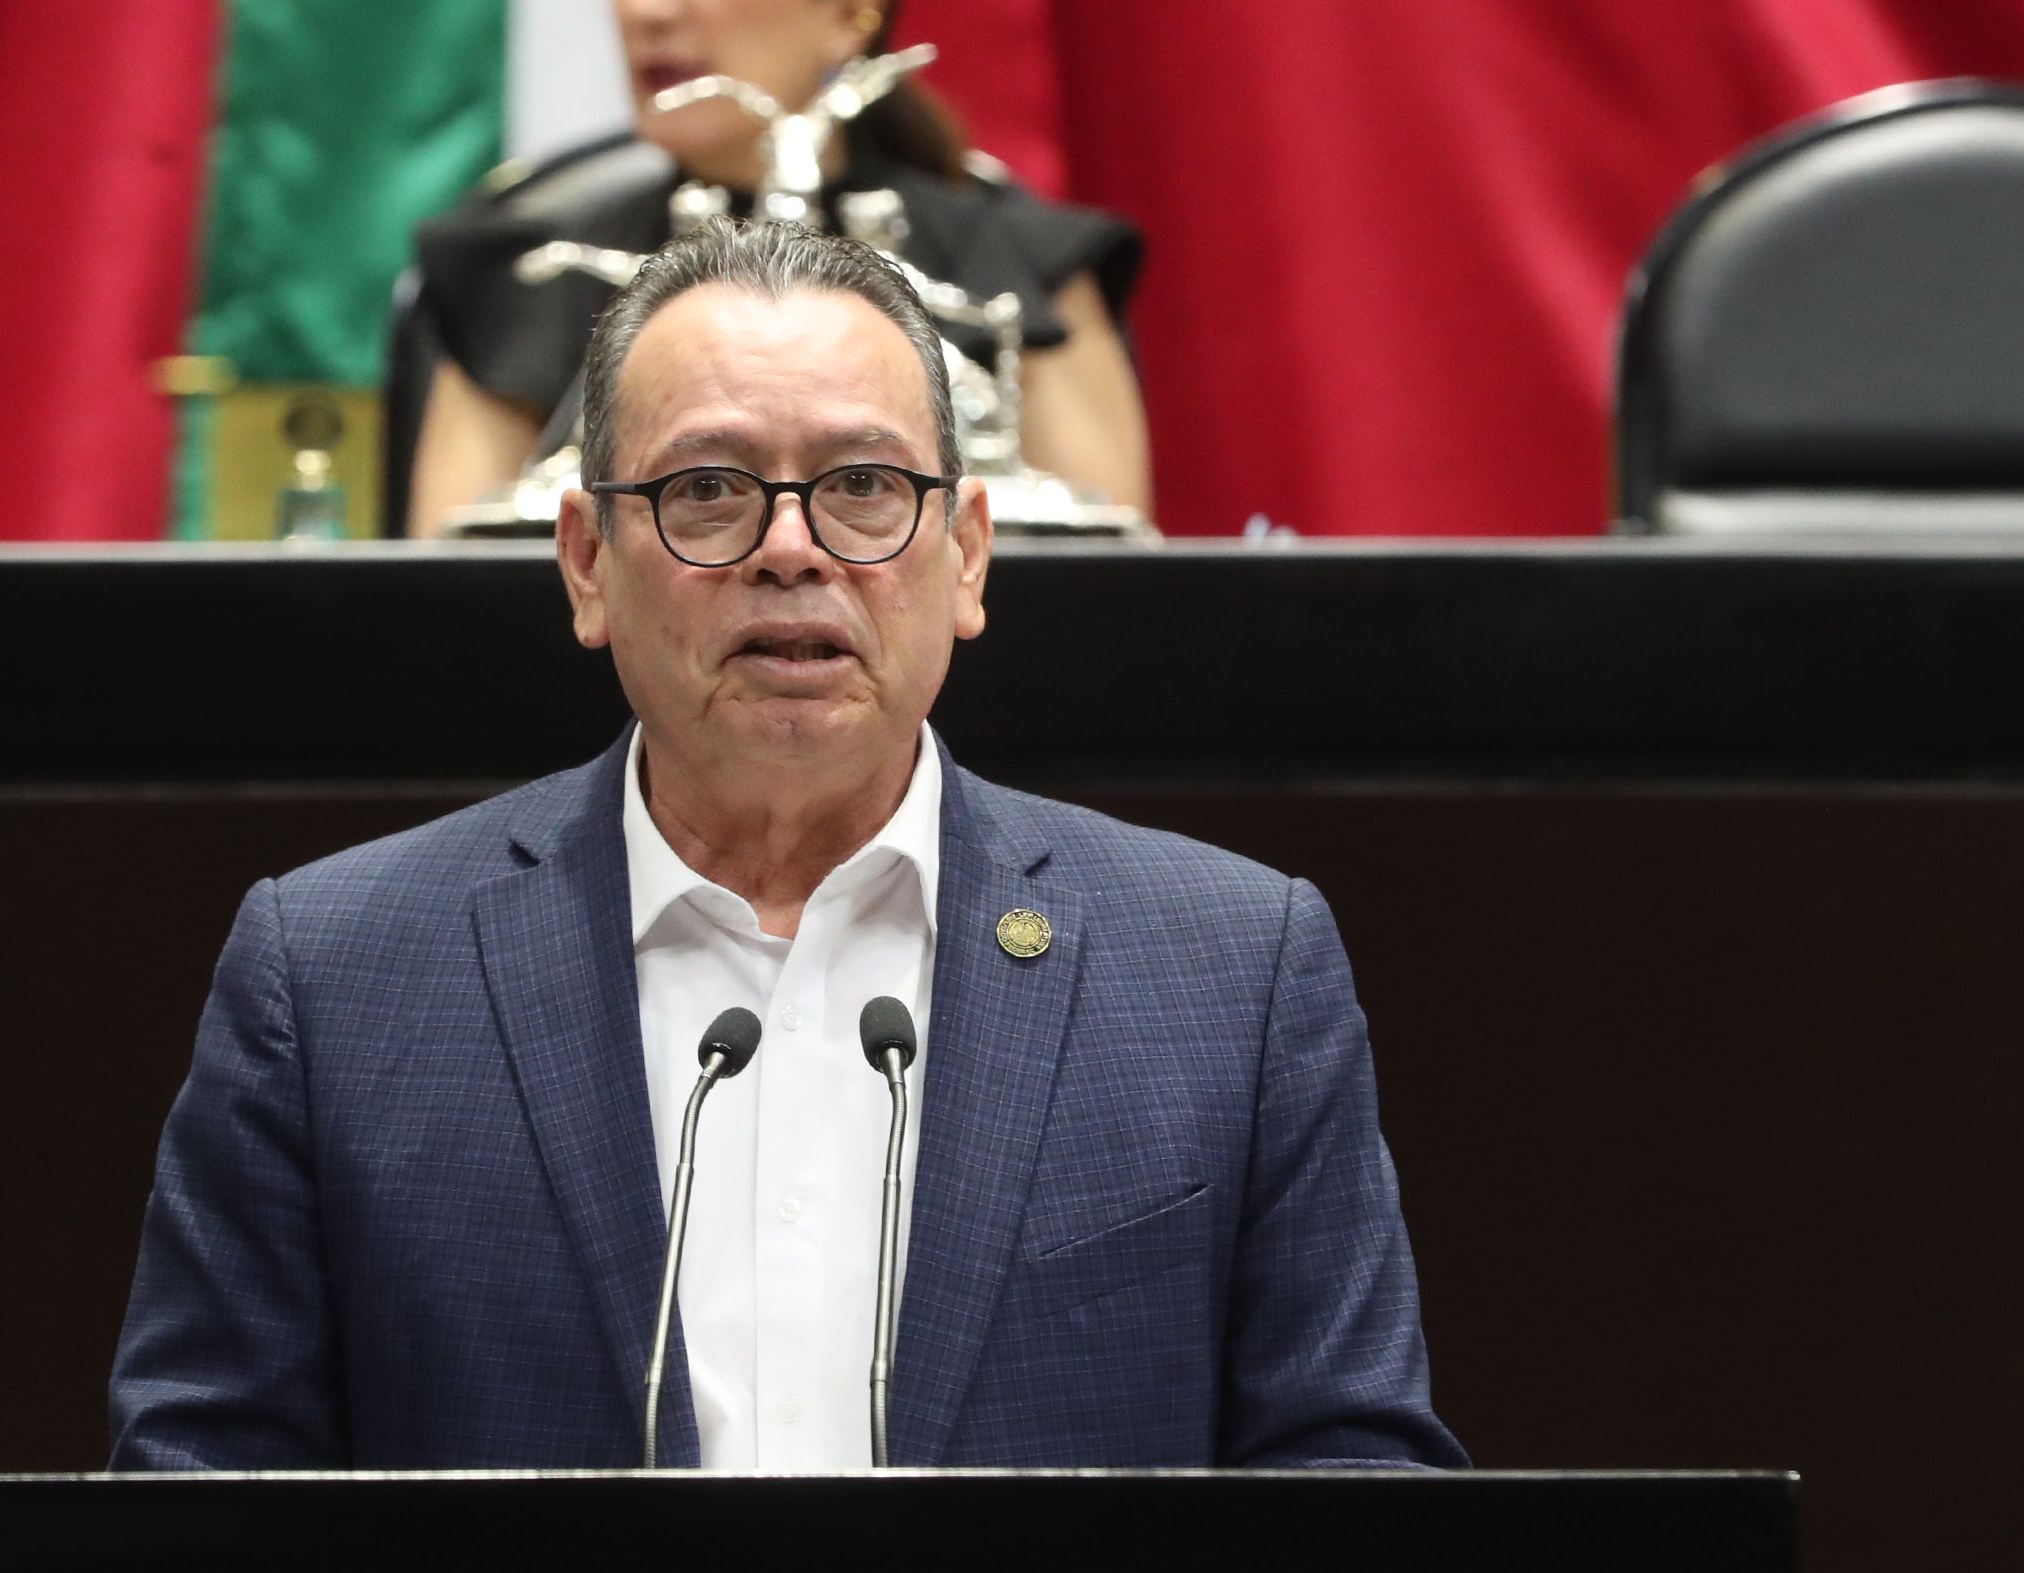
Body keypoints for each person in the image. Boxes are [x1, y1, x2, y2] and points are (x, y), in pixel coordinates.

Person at [111, 219, 1463, 1471]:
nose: (791, 549)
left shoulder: (1230, 970)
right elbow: (200, 1490)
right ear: (586, 562)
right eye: (708, 490)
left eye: (862, 486)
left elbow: (1348, 1483)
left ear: (966, 554)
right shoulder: (335, 977)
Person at [399, 0, 1150, 537]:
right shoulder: (528, 277)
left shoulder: (1018, 273)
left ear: (851, 14)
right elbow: (451, 608)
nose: (649, 12)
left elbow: (1101, 599)